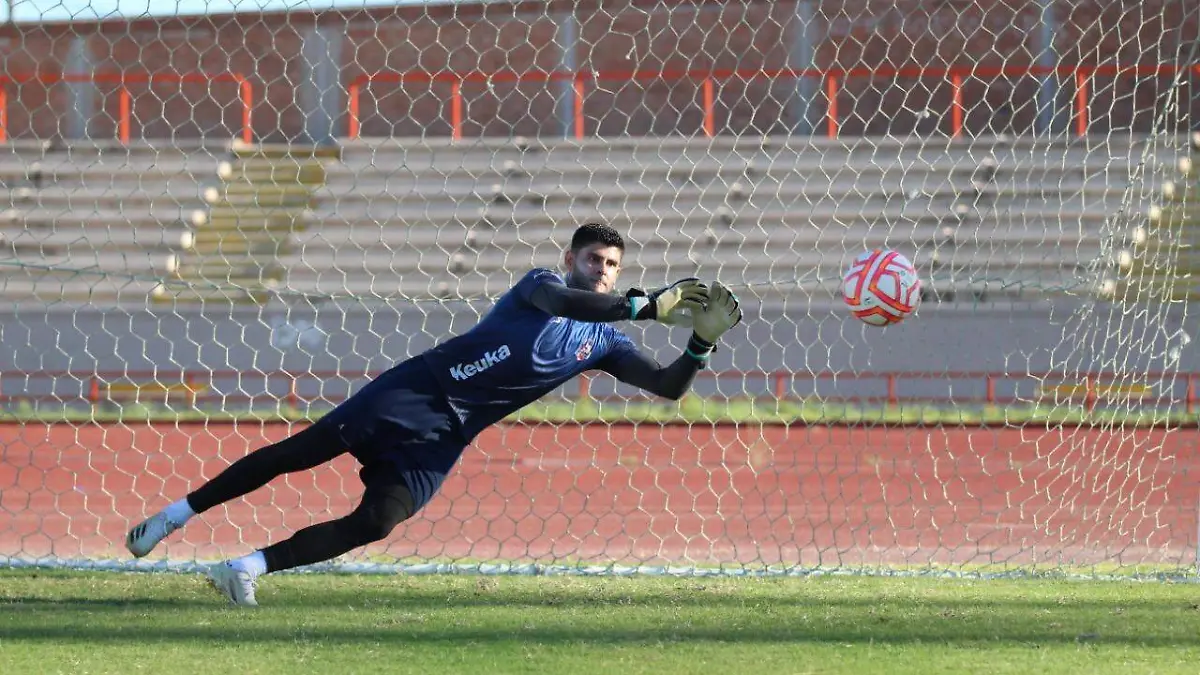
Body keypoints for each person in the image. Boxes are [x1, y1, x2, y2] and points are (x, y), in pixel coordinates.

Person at [124, 222, 743, 606]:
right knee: (295, 456)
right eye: (592, 260)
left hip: (447, 435)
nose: (601, 272)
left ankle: (245, 568)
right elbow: (566, 301)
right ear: (569, 259)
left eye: (611, 266)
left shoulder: (605, 340)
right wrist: (641, 309)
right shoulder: (538, 286)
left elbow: (665, 387)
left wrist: (700, 343)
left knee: (379, 521)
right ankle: (173, 517)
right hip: (415, 390)